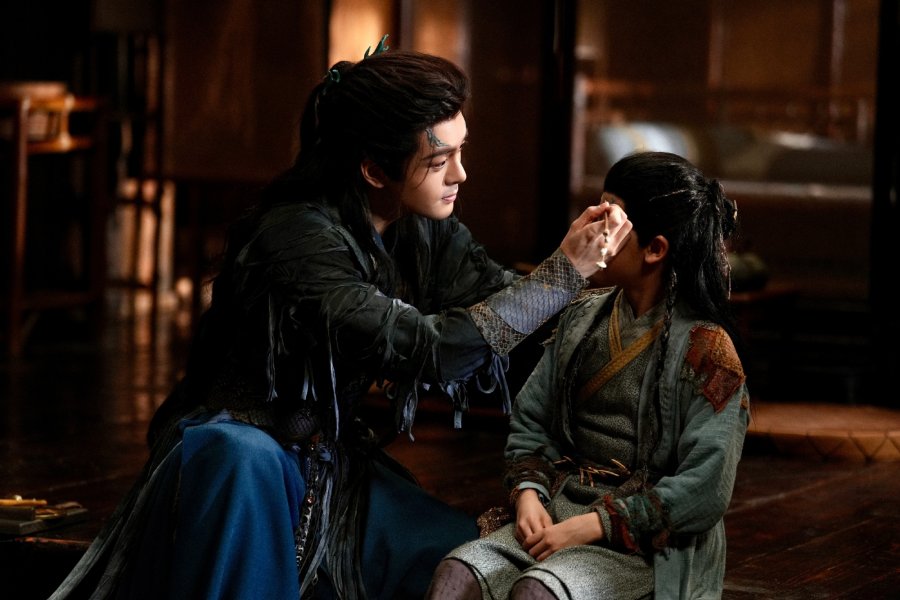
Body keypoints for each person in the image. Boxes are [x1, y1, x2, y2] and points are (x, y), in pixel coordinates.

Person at [49, 36, 632, 600]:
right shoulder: (296, 237)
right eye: (439, 160)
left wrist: (635, 306)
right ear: (374, 169)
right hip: (240, 462)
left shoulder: (423, 229)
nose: (460, 175)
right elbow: (429, 348)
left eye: (461, 151)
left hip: (329, 471)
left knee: (466, 562)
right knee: (244, 461)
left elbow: (512, 305)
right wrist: (561, 274)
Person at [426, 150, 751, 600]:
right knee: (455, 576)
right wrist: (528, 494)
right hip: (561, 505)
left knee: (536, 591)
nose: (589, 230)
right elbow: (532, 419)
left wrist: (595, 525)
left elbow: (706, 487)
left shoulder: (707, 350)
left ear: (655, 249)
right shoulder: (582, 317)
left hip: (644, 541)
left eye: (609, 219)